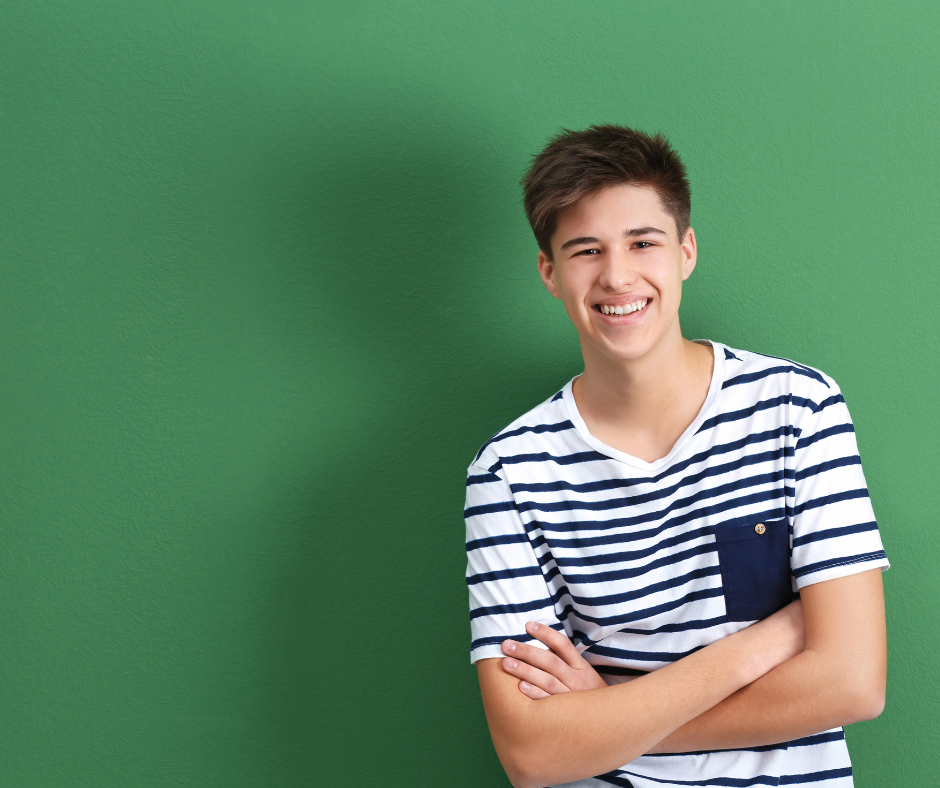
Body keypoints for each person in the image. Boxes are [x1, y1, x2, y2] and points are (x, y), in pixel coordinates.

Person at [464, 125, 889, 788]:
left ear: (685, 251)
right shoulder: (508, 473)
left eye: (643, 242)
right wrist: (765, 643)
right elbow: (533, 755)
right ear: (549, 272)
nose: (617, 275)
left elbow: (854, 682)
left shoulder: (798, 409)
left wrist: (604, 721)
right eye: (586, 250)